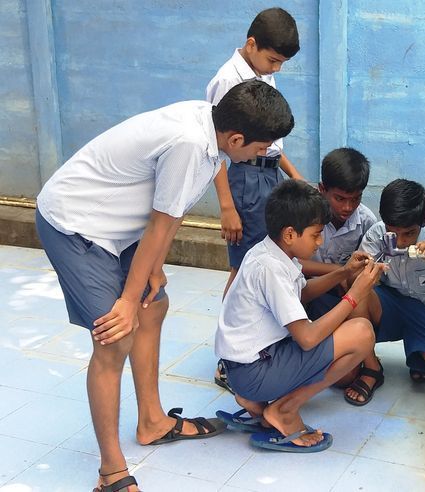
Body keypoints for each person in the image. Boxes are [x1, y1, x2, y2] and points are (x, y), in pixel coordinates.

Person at [35, 80, 294, 491]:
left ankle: (152, 422)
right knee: (114, 335)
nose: (263, 154)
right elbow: (160, 222)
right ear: (237, 138)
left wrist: (152, 269)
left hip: (119, 225)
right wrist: (125, 300)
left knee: (153, 304)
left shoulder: (211, 130)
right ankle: (111, 471)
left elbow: (172, 211)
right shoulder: (190, 144)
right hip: (75, 224)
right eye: (261, 148)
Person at [214, 180, 385, 452]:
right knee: (362, 333)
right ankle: (285, 409)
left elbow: (301, 294)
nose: (320, 242)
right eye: (316, 235)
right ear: (290, 234)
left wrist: (344, 272)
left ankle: (255, 400)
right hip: (254, 371)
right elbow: (306, 338)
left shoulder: (269, 252)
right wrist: (355, 294)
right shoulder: (271, 268)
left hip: (244, 367)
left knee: (347, 331)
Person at [207, 7, 306, 295]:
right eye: (273, 60)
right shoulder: (228, 80)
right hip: (246, 178)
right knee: (244, 265)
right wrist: (227, 207)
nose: (277, 68)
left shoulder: (262, 73)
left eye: (282, 63)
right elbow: (216, 148)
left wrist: (294, 175)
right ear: (251, 45)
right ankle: (231, 323)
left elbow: (268, 138)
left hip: (270, 174)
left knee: (271, 256)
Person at [346, 179, 425, 406]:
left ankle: (419, 351)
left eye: (409, 233)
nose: (400, 242)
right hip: (390, 305)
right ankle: (372, 367)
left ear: (424, 219)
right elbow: (353, 280)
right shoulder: (377, 234)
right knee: (359, 288)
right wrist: (367, 273)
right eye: (393, 232)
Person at [302, 147, 378, 319]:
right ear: (322, 189)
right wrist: (339, 271)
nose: (348, 207)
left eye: (355, 198)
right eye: (340, 199)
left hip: (343, 292)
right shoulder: (304, 215)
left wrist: (348, 276)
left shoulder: (366, 221)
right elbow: (292, 263)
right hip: (306, 287)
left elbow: (366, 269)